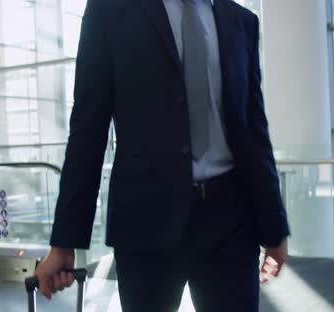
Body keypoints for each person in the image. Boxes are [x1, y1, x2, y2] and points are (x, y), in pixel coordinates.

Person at [35, 0, 290, 311]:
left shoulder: (242, 22)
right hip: (146, 223)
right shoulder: (110, 11)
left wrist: (274, 230)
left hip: (231, 221)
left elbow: (254, 133)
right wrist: (65, 240)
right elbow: (88, 131)